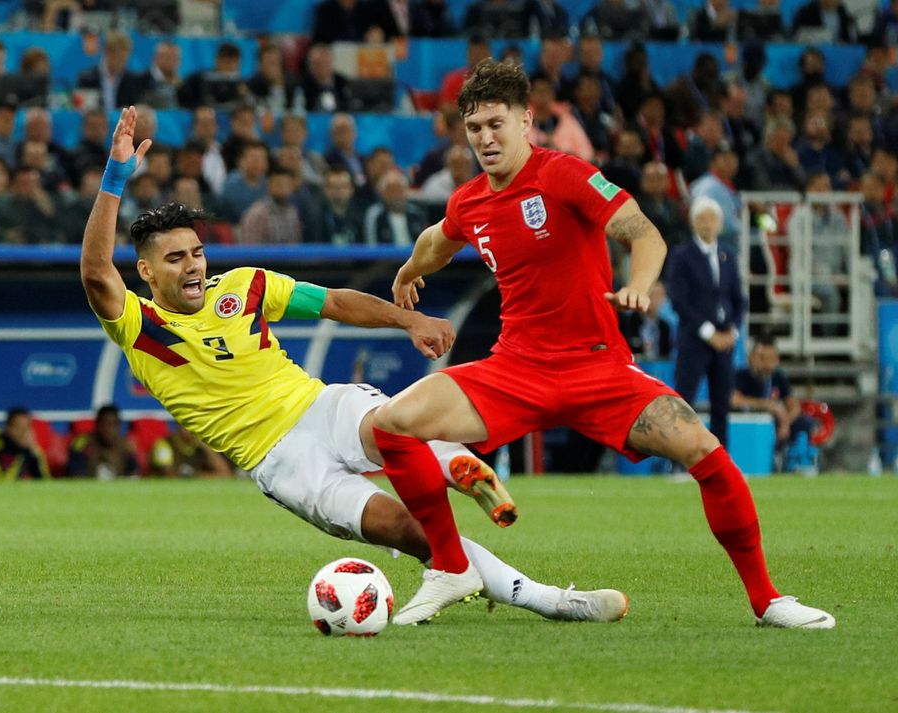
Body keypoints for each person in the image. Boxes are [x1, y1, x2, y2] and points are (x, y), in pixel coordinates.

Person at [80, 106, 618, 625]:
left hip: (320, 405)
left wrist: (409, 322)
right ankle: (545, 594)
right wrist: (115, 179)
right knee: (408, 530)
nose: (193, 265)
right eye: (176, 259)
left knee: (389, 426)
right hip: (281, 459)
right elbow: (96, 272)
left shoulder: (245, 285)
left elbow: (334, 302)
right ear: (147, 271)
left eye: (196, 252)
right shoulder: (139, 325)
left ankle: (448, 461)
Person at [369, 60, 834, 629]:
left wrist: (638, 285)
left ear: (526, 120)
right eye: (474, 129)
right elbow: (438, 240)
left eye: (496, 124)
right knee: (392, 423)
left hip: (597, 369)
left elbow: (644, 232)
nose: (485, 139)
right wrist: (408, 272)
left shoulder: (563, 174)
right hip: (515, 369)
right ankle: (450, 566)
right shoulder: (470, 200)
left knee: (705, 451)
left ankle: (768, 600)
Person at [666, 197, 746, 447]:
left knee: (722, 403)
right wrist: (708, 331)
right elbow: (679, 300)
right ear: (693, 223)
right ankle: (680, 459)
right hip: (694, 340)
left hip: (724, 341)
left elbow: (738, 299)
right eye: (702, 218)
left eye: (712, 218)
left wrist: (731, 332)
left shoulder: (728, 257)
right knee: (686, 399)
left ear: (720, 224)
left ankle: (721, 462)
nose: (707, 224)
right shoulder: (682, 256)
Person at [732, 334, 813, 459]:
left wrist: (786, 421)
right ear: (750, 358)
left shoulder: (778, 377)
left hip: (775, 424)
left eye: (772, 359)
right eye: (762, 358)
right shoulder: (740, 376)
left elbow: (794, 405)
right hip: (750, 424)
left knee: (803, 422)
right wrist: (768, 405)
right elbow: (734, 400)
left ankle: (795, 461)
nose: (767, 364)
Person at [67, 404, 139, 479]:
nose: (109, 430)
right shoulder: (83, 444)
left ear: (119, 425)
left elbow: (134, 476)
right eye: (105, 424)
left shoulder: (126, 446)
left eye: (113, 424)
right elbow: (75, 475)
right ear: (97, 424)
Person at [150, 424, 233, 478]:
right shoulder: (164, 444)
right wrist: (203, 476)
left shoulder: (200, 446)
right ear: (179, 426)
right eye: (187, 427)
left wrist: (206, 447)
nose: (191, 431)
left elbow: (225, 474)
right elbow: (168, 475)